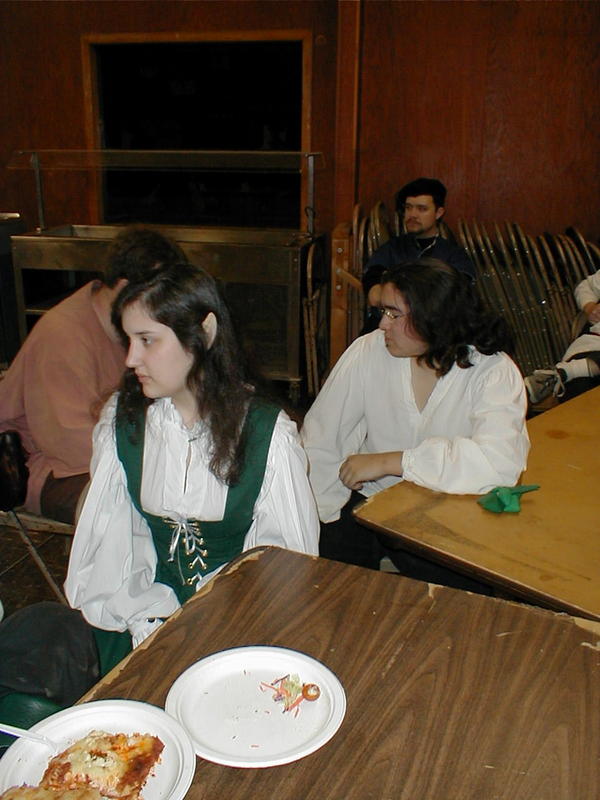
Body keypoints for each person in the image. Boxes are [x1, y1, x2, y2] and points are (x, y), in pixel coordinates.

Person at [64, 261, 319, 676]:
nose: (131, 358)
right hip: (139, 622)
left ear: (205, 333)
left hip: (238, 625)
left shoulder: (267, 434)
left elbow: (284, 567)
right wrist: (143, 619)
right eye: (129, 340)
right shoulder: (124, 422)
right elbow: (114, 544)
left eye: (147, 340)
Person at [301, 259, 529, 584]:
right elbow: (321, 439)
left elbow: (498, 464)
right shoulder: (368, 351)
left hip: (450, 507)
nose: (383, 324)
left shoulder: (492, 371)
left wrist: (394, 461)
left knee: (457, 597)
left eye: (394, 314)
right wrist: (314, 520)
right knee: (329, 583)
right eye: (383, 312)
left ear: (433, 317)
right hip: (372, 501)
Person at [0, 226, 184, 523]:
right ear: (125, 288)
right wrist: (160, 464)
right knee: (144, 513)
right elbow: (72, 445)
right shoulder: (63, 335)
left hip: (101, 457)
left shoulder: (124, 327)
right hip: (43, 468)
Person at [361, 178, 475, 333]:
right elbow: (374, 294)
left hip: (436, 332)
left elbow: (454, 298)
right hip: (387, 329)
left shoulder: (454, 256)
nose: (412, 215)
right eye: (408, 208)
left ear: (438, 212)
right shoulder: (391, 249)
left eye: (422, 209)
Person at [525, 268, 600, 404]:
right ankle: (565, 373)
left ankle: (564, 372)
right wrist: (590, 307)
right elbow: (585, 287)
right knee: (577, 390)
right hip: (592, 346)